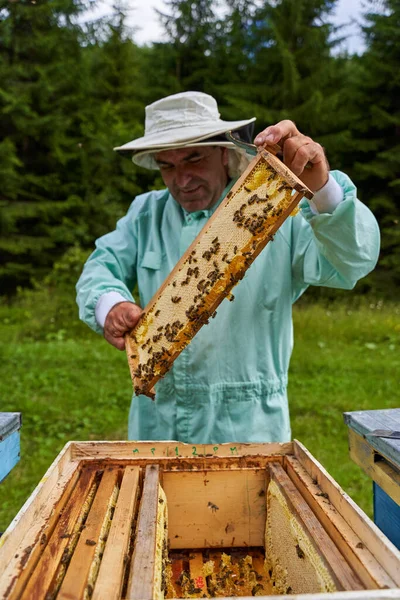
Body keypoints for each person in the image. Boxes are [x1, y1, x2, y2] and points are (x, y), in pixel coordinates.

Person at [76, 91, 380, 444]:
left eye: (194, 159)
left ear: (224, 153)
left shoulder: (274, 210)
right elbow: (100, 268)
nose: (183, 179)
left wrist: (323, 188)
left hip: (250, 429)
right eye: (168, 165)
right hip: (157, 424)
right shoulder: (146, 214)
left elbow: (352, 260)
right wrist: (111, 306)